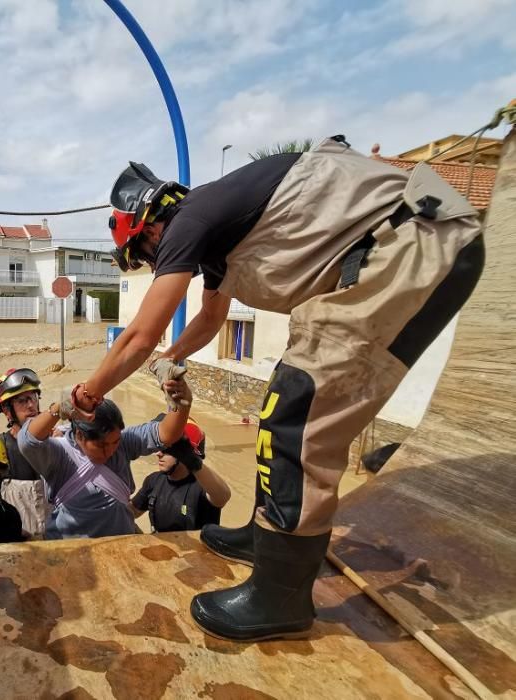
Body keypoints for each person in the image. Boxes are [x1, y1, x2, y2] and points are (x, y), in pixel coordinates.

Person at [71, 138, 484, 641]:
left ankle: (282, 598)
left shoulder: (190, 219)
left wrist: (89, 393)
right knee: (280, 410)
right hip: (399, 250)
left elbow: (139, 335)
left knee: (296, 419)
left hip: (414, 249)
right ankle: (259, 538)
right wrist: (172, 360)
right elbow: (209, 319)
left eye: (144, 254)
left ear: (152, 226)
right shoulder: (217, 236)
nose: (153, 262)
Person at [18, 378, 192, 539]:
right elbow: (27, 441)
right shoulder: (59, 455)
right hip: (69, 552)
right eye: (101, 445)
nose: (109, 451)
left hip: (120, 547)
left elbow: (167, 434)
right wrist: (59, 408)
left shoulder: (125, 443)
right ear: (79, 435)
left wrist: (182, 402)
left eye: (114, 442)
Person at [131, 419, 231, 532]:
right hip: (160, 547)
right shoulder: (154, 481)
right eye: (159, 448)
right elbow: (132, 512)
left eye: (166, 450)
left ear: (185, 452)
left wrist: (193, 463)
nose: (158, 454)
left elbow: (223, 495)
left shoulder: (202, 486)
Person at [0, 368, 52, 539]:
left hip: (60, 543)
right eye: (22, 401)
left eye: (33, 397)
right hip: (18, 546)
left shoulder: (57, 442)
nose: (31, 405)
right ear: (6, 410)